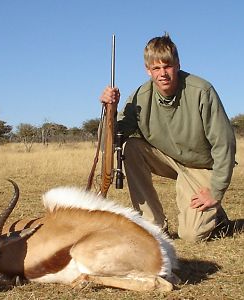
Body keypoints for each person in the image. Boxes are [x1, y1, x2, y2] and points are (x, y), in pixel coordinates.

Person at [100, 33, 236, 242]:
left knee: (192, 235)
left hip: (201, 165)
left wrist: (215, 192)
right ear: (148, 70)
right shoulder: (140, 96)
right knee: (130, 147)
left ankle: (218, 219)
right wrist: (109, 109)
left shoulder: (201, 90)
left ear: (178, 64)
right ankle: (153, 226)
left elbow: (224, 145)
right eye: (156, 68)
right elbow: (109, 143)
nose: (162, 73)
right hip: (169, 159)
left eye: (167, 66)